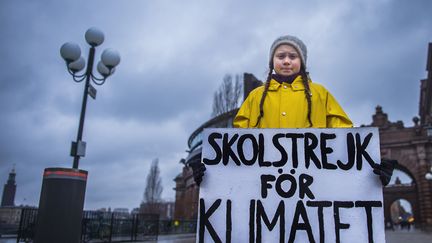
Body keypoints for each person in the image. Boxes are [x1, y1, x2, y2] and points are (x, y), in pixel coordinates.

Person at [191, 35, 394, 185]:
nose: (286, 61)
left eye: (293, 56)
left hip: (315, 184)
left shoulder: (321, 94)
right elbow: (239, 145)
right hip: (265, 185)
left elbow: (345, 138)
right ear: (272, 62)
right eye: (280, 56)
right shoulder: (254, 97)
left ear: (302, 62)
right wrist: (213, 170)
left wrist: (369, 164)